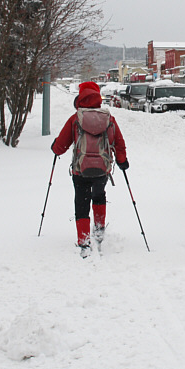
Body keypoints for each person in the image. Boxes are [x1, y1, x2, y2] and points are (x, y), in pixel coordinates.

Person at [52, 81, 129, 256]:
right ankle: (100, 227)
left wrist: (55, 148)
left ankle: (83, 239)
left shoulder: (75, 119)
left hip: (80, 169)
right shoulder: (109, 119)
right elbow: (119, 142)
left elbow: (61, 145)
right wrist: (122, 160)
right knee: (99, 194)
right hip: (102, 169)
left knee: (81, 201)